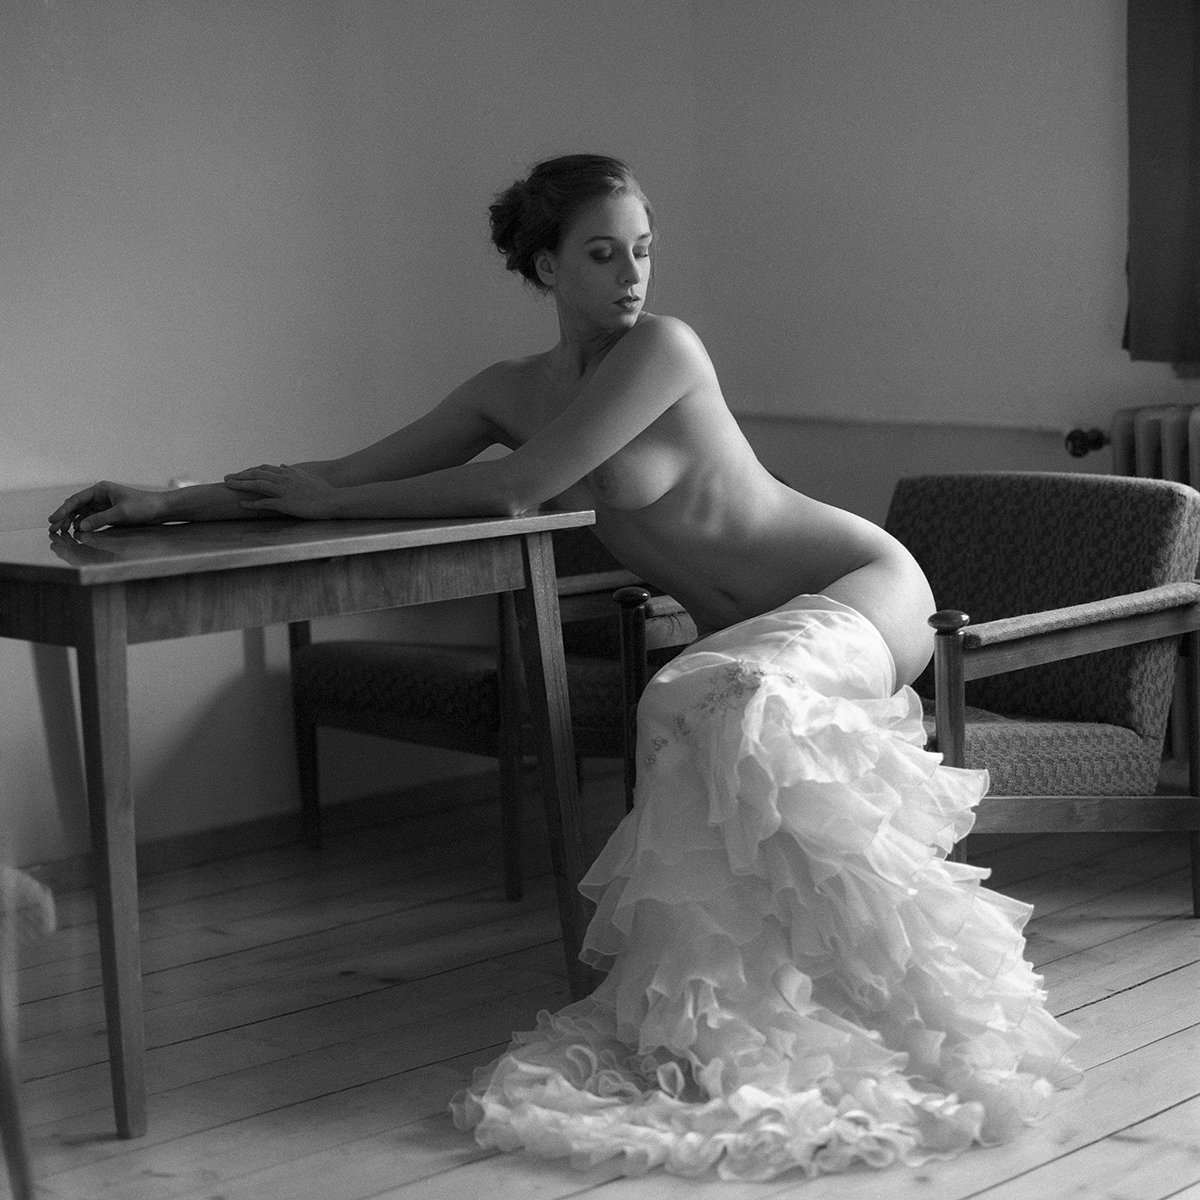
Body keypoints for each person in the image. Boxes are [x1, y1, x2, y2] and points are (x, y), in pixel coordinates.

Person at [48, 154, 1079, 1181]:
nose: (632, 274)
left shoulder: (665, 348)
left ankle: (920, 1004)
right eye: (602, 254)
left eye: (642, 250)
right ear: (545, 266)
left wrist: (332, 503)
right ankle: (736, 1020)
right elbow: (338, 476)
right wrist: (167, 502)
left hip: (860, 586)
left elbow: (518, 488)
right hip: (745, 642)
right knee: (702, 706)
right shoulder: (509, 392)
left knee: (696, 693)